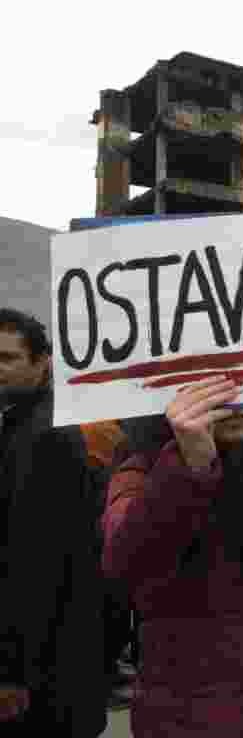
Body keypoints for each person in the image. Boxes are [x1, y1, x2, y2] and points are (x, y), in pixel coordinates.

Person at [103, 380, 243, 737]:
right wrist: (189, 467)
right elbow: (124, 564)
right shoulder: (140, 474)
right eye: (211, 384)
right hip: (195, 719)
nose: (234, 401)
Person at [0, 308, 107, 736]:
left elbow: (33, 565)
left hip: (42, 679)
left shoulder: (46, 435)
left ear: (44, 361)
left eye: (7, 358)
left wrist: (11, 672)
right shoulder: (25, 424)